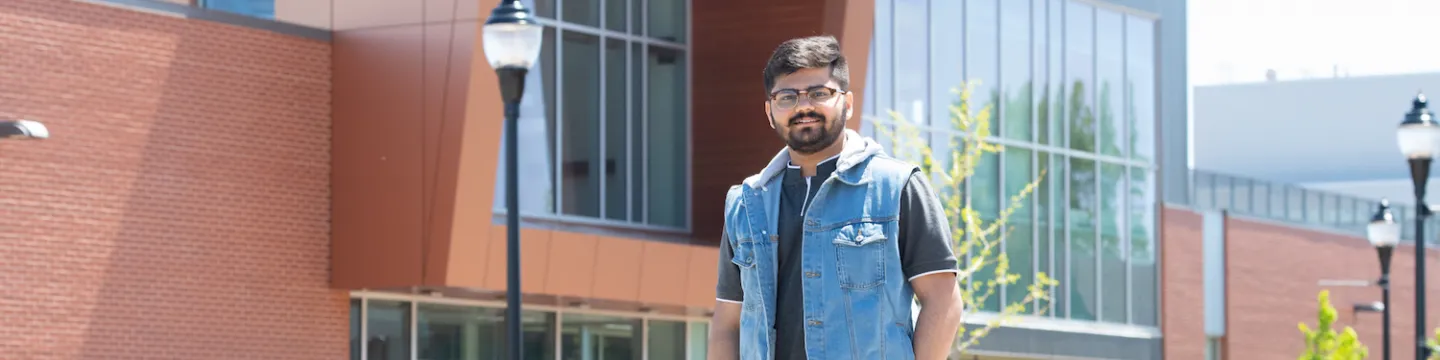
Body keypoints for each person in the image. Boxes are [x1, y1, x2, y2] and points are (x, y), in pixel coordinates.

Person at [707, 35, 964, 360]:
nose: (804, 106)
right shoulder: (745, 204)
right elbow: (727, 323)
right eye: (787, 97)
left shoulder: (898, 186)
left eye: (819, 93)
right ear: (770, 111)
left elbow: (944, 301)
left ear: (848, 102)